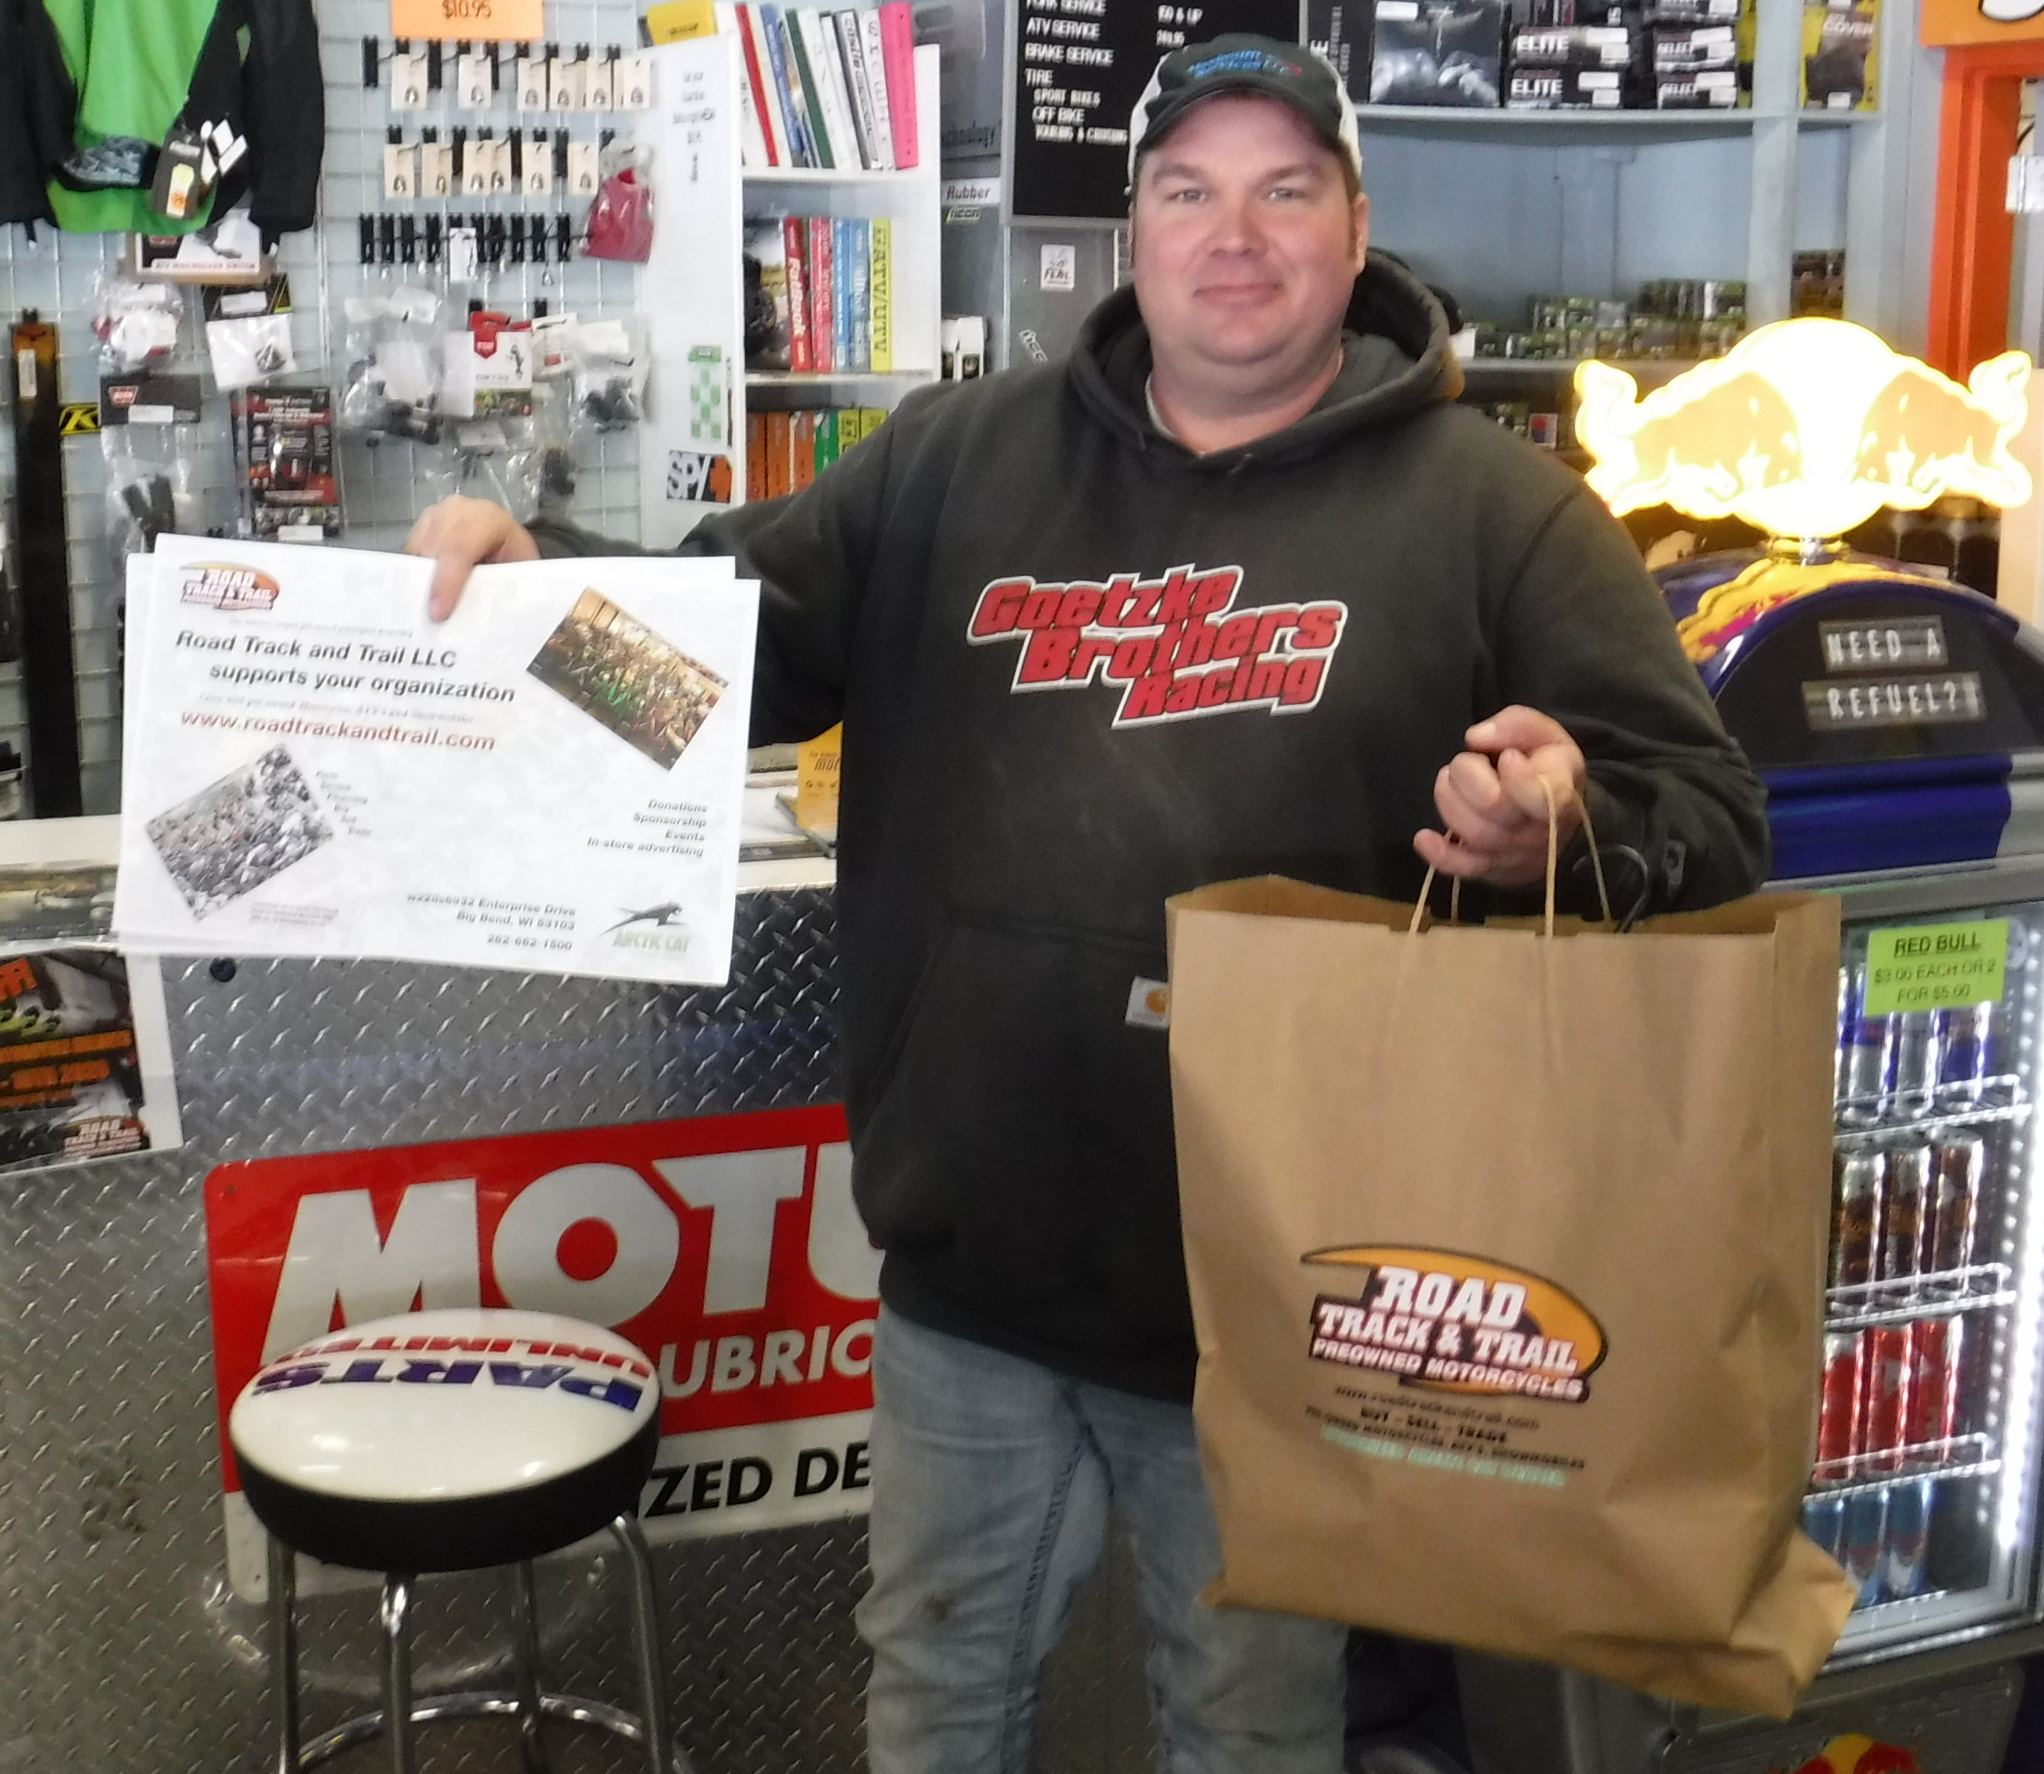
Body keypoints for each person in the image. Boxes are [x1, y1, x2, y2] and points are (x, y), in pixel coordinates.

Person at [407, 34, 1769, 1774]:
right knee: (936, 1704)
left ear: (1357, 231)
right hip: (971, 1280)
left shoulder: (1497, 510)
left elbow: (1711, 813)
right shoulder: (957, 458)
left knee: (1251, 1736)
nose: (1234, 235)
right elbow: (719, 652)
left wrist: (1559, 832)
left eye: (1285, 190)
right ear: (1134, 229)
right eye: (1189, 191)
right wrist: (535, 588)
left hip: (1285, 1305)